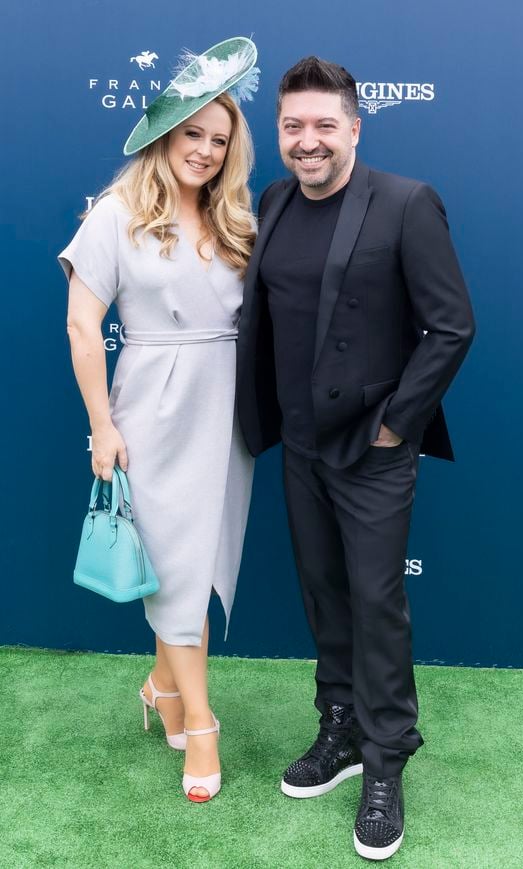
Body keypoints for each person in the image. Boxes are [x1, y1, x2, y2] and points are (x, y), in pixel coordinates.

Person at [236, 56, 475, 860]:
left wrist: (394, 427)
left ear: (354, 128)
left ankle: (386, 760)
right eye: (292, 126)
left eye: (323, 126)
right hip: (298, 445)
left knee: (376, 603)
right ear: (279, 132)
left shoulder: (406, 203)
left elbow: (452, 326)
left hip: (372, 449)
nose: (307, 142)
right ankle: (336, 727)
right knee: (323, 591)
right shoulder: (270, 200)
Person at [59, 37, 259, 804]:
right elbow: (83, 328)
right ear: (164, 135)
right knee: (174, 564)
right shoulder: (115, 213)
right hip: (153, 406)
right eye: (193, 135)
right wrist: (102, 426)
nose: (205, 151)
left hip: (224, 408)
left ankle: (162, 687)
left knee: (194, 562)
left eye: (218, 139)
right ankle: (199, 724)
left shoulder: (231, 214)